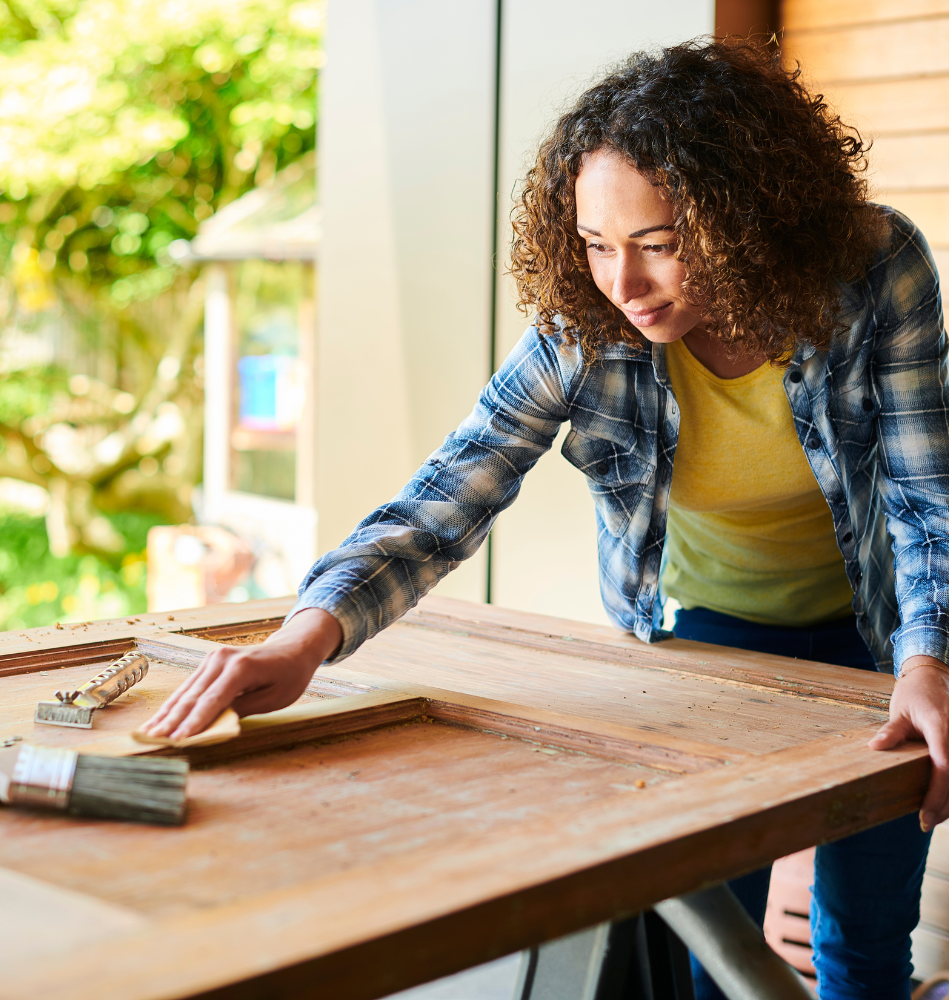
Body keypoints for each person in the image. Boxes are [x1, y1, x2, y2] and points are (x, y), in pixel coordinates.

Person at [142, 38, 949, 1000]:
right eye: (598, 244)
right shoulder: (588, 322)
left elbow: (922, 493)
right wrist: (303, 642)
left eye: (658, 244)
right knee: (719, 957)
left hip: (881, 635)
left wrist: (929, 660)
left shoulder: (874, 267)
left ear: (753, 216)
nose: (624, 283)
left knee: (862, 947)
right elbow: (453, 489)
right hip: (706, 641)